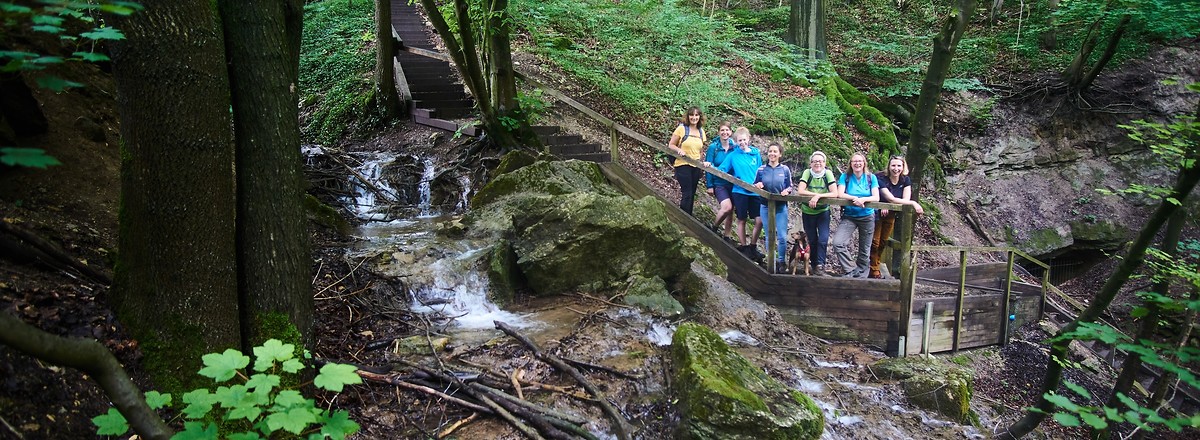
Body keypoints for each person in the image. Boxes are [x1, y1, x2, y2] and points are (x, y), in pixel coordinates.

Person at [711, 127, 764, 261]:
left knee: (759, 220)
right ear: (736, 141)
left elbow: (761, 170)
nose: (742, 142)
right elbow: (722, 169)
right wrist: (710, 167)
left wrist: (761, 183)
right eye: (739, 140)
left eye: (744, 140)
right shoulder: (733, 155)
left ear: (749, 139)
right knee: (742, 219)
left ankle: (753, 245)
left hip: (755, 192)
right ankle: (744, 246)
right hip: (739, 191)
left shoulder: (755, 154)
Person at [869, 155, 924, 278]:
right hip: (876, 212)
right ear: (889, 166)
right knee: (875, 242)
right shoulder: (880, 177)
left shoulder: (905, 180)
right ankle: (873, 269)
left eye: (899, 165)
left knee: (883, 241)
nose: (896, 168)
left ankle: (875, 265)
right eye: (893, 165)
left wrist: (890, 205)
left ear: (903, 167)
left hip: (891, 213)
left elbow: (905, 199)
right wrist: (914, 203)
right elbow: (891, 198)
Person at [832, 152, 879, 278]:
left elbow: (876, 196)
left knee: (865, 249)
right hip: (849, 215)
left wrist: (863, 200)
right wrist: (855, 198)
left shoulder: (871, 177)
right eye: (854, 161)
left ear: (864, 163)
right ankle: (852, 269)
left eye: (860, 161)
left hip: (867, 216)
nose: (857, 163)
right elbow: (840, 194)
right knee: (838, 242)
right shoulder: (845, 177)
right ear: (850, 164)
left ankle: (862, 276)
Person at [794, 151, 839, 276]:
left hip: (823, 211)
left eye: (820, 161)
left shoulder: (827, 174)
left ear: (824, 163)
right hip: (808, 211)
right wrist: (814, 196)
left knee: (823, 239)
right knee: (812, 239)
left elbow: (834, 193)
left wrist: (818, 196)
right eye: (815, 161)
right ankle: (813, 265)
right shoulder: (807, 173)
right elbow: (801, 190)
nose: (817, 163)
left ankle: (820, 265)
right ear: (811, 163)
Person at [754, 144, 793, 272]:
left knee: (782, 236)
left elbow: (790, 186)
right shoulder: (761, 169)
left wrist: (786, 191)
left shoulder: (785, 169)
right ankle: (770, 260)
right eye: (770, 151)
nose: (772, 154)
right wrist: (758, 185)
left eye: (775, 151)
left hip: (781, 207)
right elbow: (755, 184)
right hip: (765, 206)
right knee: (769, 235)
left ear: (780, 154)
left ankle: (782, 261)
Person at [667, 106, 706, 216]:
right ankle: (683, 218)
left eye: (696, 115)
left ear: (700, 117)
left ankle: (688, 216)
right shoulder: (682, 129)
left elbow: (701, 150)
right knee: (687, 192)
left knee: (692, 193)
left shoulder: (701, 131)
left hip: (696, 166)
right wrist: (679, 150)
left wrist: (701, 163)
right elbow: (671, 145)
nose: (694, 117)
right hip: (682, 164)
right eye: (692, 115)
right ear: (688, 116)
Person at [704, 122, 736, 238]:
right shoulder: (714, 147)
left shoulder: (735, 147)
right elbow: (708, 166)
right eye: (722, 130)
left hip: (732, 184)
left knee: (731, 210)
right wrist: (709, 185)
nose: (725, 132)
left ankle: (727, 235)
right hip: (719, 183)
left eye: (727, 130)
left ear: (731, 132)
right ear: (718, 132)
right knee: (726, 207)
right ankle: (714, 227)